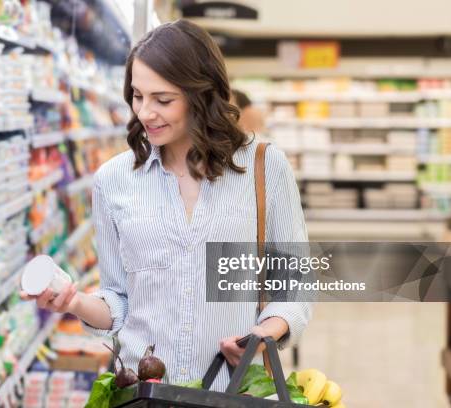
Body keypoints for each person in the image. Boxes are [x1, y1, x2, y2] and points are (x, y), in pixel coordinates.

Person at [21, 19, 310, 390]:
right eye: (138, 96)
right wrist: (74, 302)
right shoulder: (113, 180)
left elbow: (295, 286)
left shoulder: (264, 166)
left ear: (202, 95)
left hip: (232, 389)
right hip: (143, 392)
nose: (144, 113)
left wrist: (262, 334)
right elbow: (118, 300)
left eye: (163, 100)